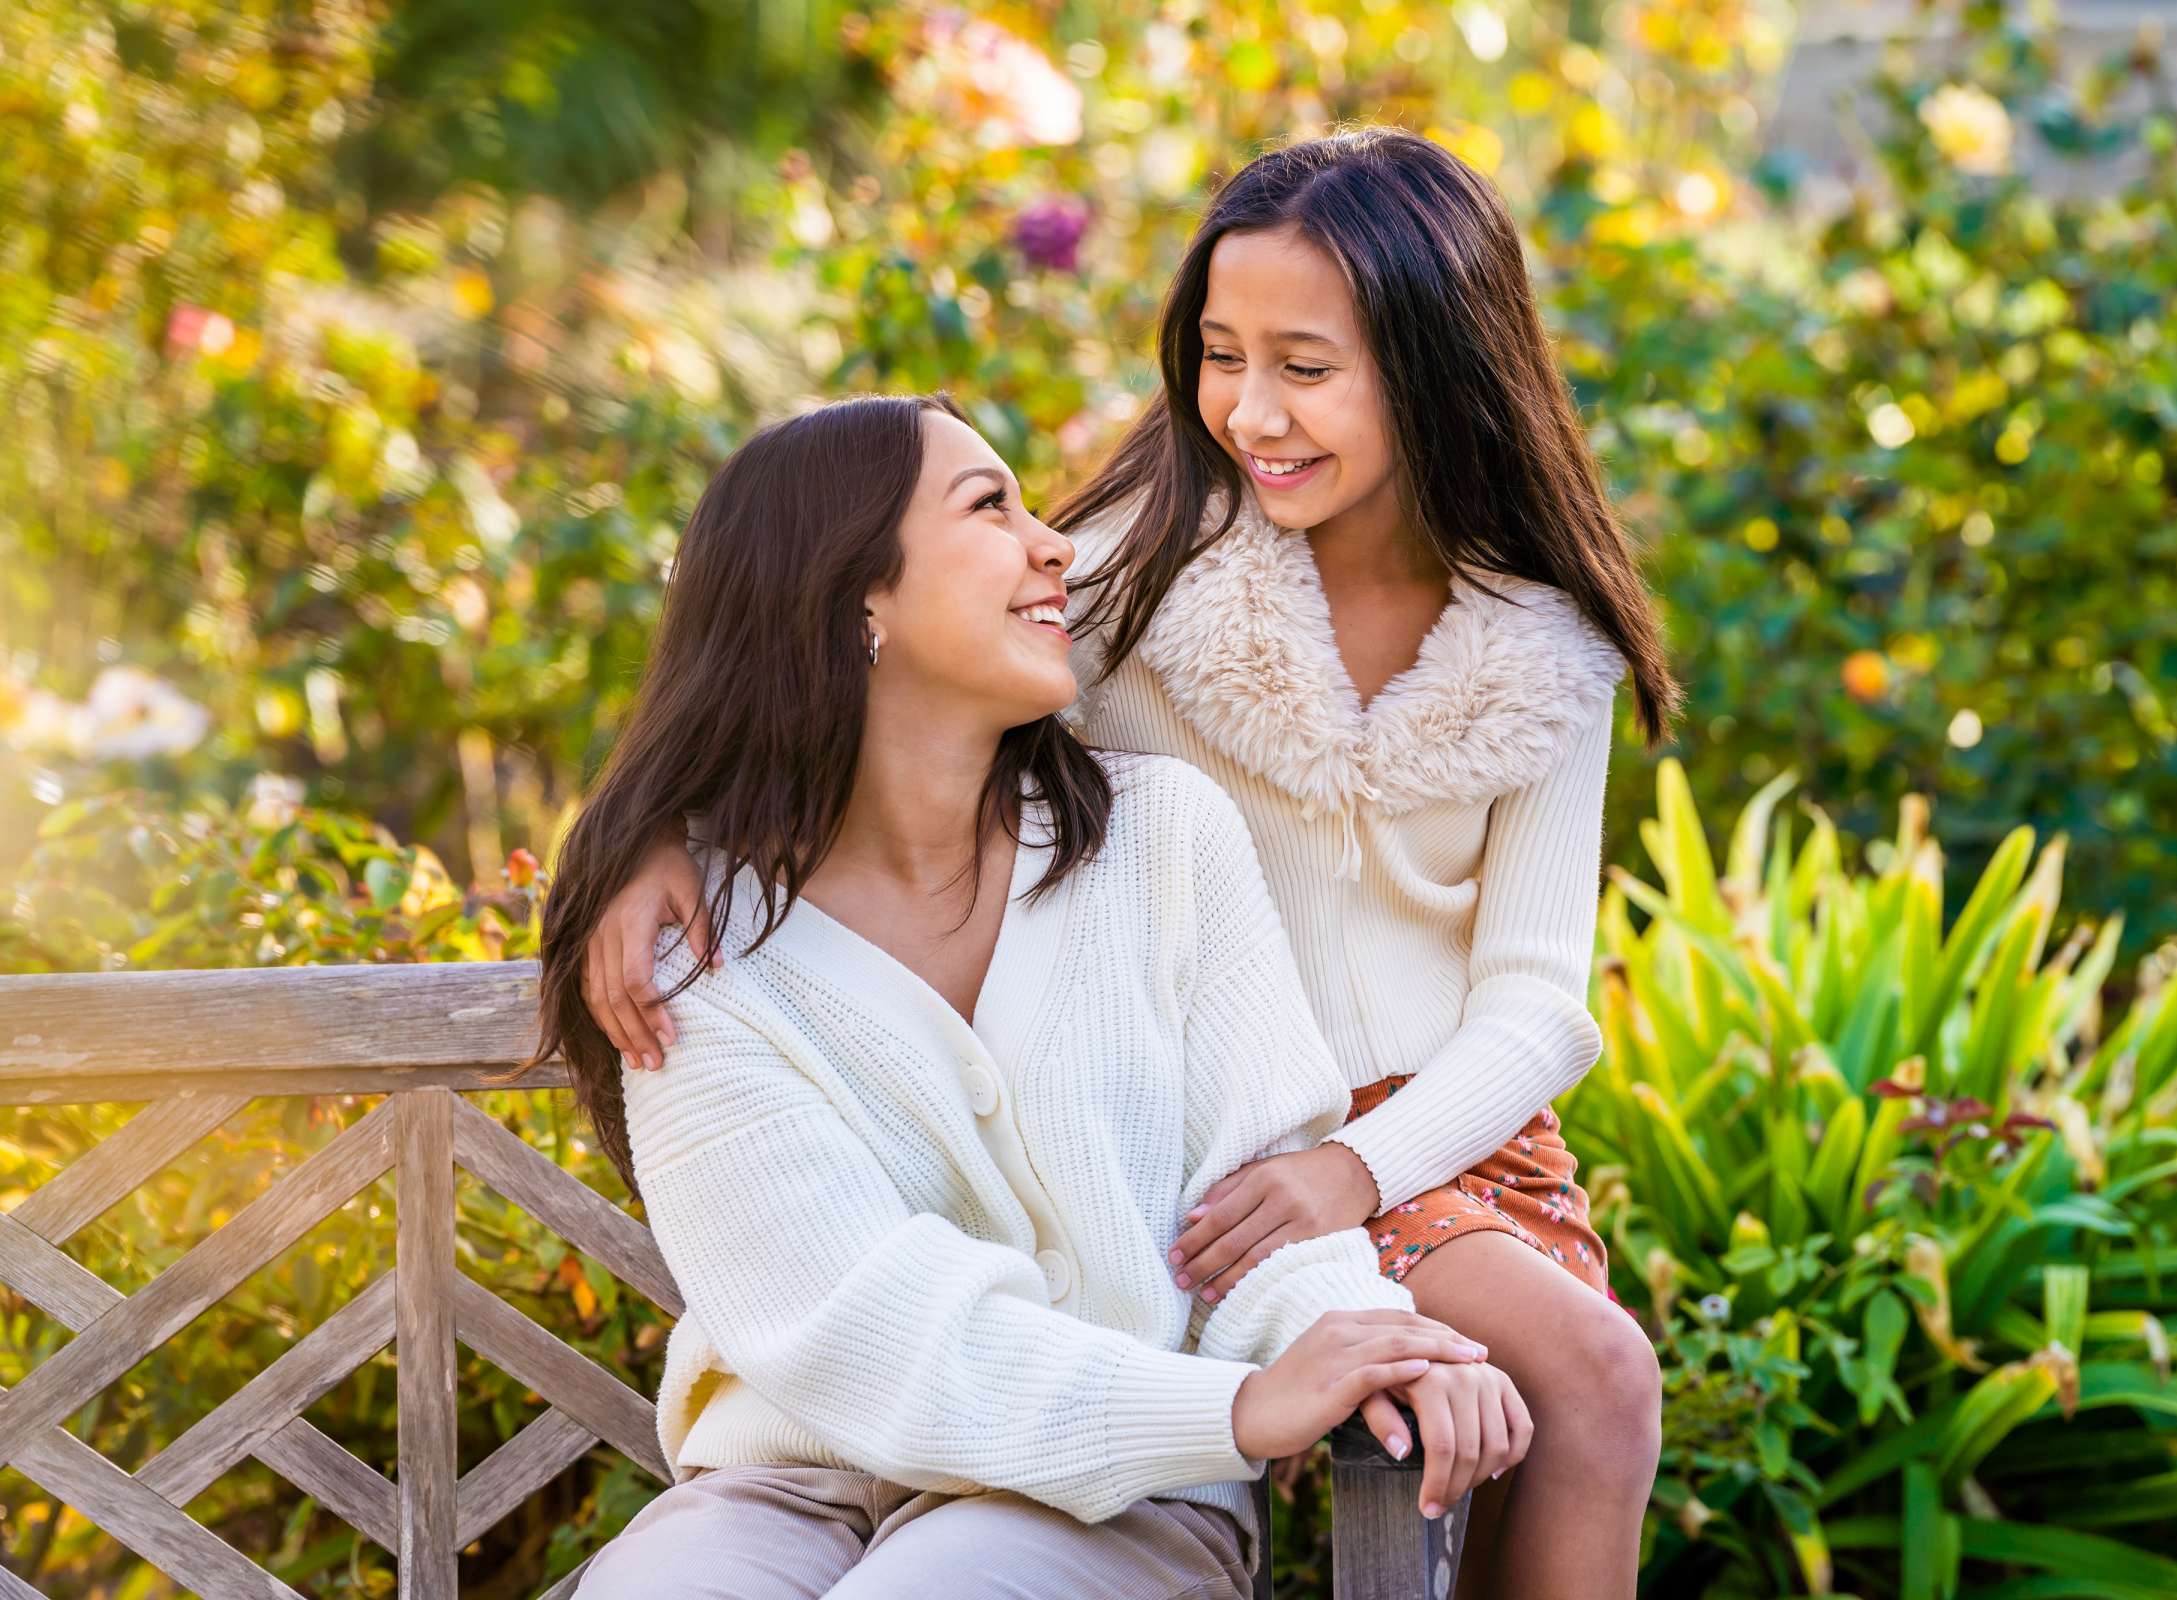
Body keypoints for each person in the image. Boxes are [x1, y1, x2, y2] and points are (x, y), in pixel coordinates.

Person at [585, 127, 1675, 1597]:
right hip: (1220, 1127)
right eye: (1221, 355)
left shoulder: (1544, 650)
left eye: (1305, 366)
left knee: (1596, 1379)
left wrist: (1358, 1169)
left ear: (1434, 364)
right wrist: (668, 839)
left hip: (1415, 1133)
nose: (1248, 409)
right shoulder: (1138, 576)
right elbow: (853, 659)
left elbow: (1540, 1001)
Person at [513, 393, 1526, 1598]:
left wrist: (1376, 1345)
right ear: (856, 599)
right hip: (792, 1488)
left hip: (1122, 1499)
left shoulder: (1161, 843)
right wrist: (1243, 1404)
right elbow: (859, 1320)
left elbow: (1256, 1211)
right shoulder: (690, 944)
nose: (1052, 545)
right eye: (991, 507)